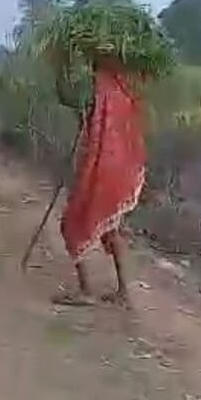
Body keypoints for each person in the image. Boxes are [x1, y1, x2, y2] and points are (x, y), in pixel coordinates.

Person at [54, 57, 145, 308]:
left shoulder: (98, 90)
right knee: (111, 227)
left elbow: (70, 100)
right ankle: (124, 292)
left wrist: (59, 71)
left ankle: (86, 291)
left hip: (102, 169)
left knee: (72, 224)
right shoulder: (123, 92)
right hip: (122, 171)